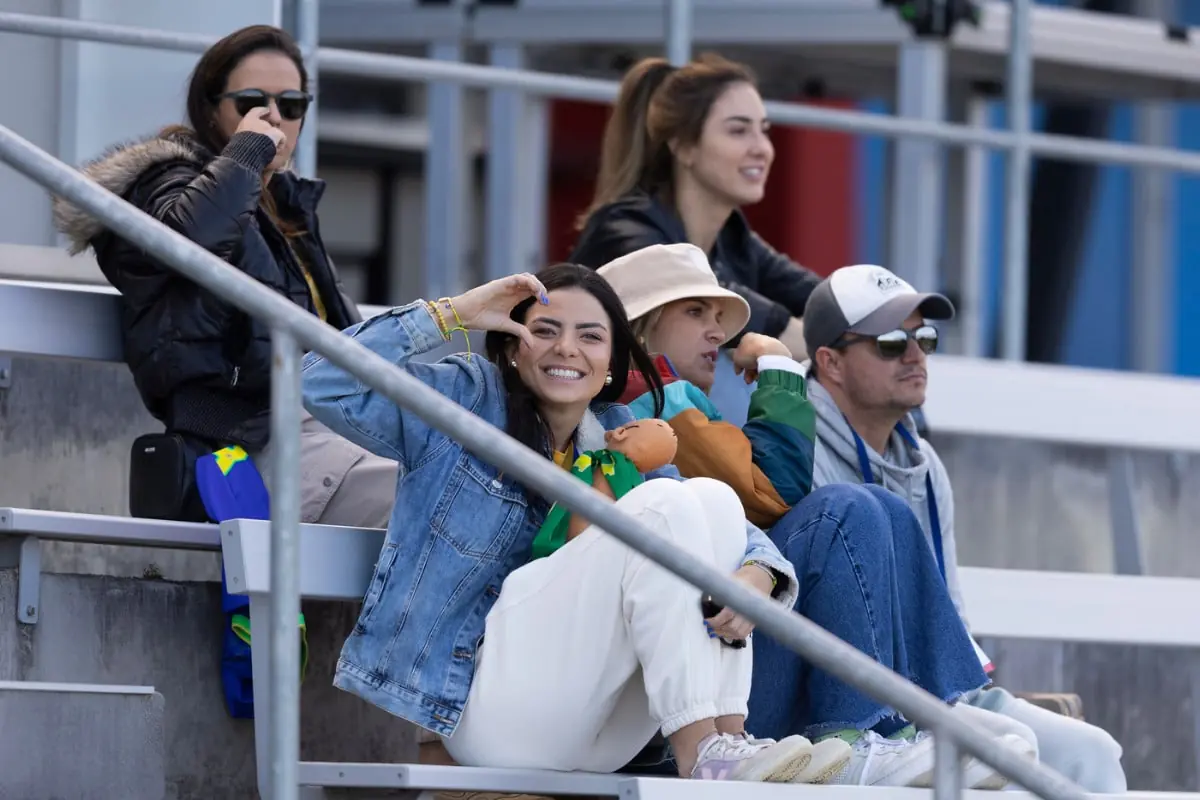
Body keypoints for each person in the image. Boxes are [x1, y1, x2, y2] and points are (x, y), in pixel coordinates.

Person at [300, 263, 829, 784]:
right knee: (666, 503)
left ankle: (728, 741)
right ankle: (702, 754)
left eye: (590, 336)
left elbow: (717, 520)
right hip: (482, 713)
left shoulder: (618, 429)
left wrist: (762, 572)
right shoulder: (466, 398)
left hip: (599, 723)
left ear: (612, 362)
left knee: (710, 496)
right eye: (545, 330)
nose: (567, 349)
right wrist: (453, 313)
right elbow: (322, 381)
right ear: (513, 345)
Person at [600, 244, 1028, 788]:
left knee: (876, 507)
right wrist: (781, 368)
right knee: (844, 512)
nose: (717, 332)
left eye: (925, 339)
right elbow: (773, 492)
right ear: (640, 331)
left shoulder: (680, 406)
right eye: (694, 312)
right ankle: (860, 731)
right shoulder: (650, 407)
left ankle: (895, 725)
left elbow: (750, 510)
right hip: (677, 710)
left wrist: (763, 565)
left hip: (717, 677)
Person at [52, 25, 397, 530]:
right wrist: (246, 154)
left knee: (480, 481)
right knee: (434, 499)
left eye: (291, 104)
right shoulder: (163, 179)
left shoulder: (288, 209)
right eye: (253, 102)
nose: (274, 117)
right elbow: (186, 245)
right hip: (247, 442)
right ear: (210, 108)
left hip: (333, 425)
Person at [801, 263, 1128, 793]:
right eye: (890, 342)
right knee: (1011, 749)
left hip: (936, 690)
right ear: (830, 363)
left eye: (924, 338)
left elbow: (950, 612)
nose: (915, 355)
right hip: (853, 707)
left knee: (1092, 751)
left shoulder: (925, 463)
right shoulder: (796, 448)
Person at [569, 53, 820, 425]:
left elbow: (824, 301)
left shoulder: (734, 237)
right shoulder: (626, 229)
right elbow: (766, 318)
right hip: (610, 437)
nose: (762, 148)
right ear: (683, 146)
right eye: (738, 130)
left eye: (763, 130)